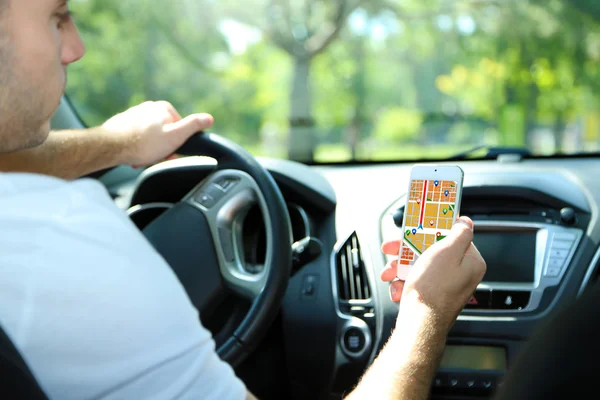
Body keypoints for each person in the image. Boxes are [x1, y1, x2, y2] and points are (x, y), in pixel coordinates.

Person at [0, 0, 487, 399]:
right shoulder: (59, 236)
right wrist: (426, 312)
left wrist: (116, 144)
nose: (76, 47)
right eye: (57, 17)